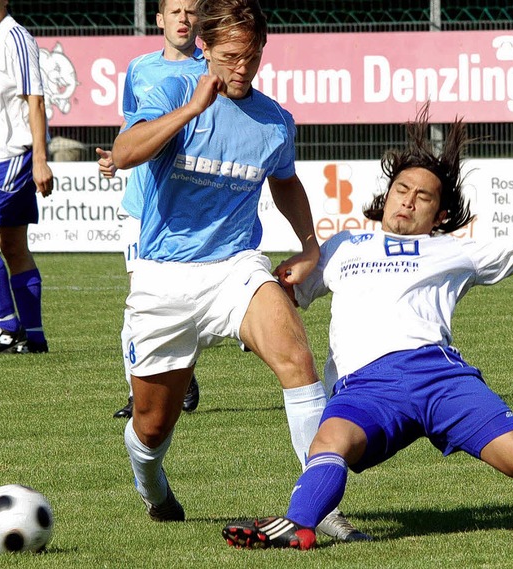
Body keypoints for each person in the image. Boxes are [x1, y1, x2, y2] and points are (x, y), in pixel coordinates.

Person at [222, 106, 513, 551]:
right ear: (387, 194)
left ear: (440, 213)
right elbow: (283, 298)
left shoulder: (454, 252)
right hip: (366, 385)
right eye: (401, 190)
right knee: (329, 441)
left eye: (423, 197)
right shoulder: (342, 247)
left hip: (440, 378)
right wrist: (274, 278)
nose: (408, 201)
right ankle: (298, 525)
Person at [110, 0, 367, 541]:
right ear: (204, 49)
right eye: (230, 56)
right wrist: (191, 109)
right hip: (164, 275)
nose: (242, 68)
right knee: (152, 427)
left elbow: (284, 179)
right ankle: (151, 483)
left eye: (252, 57)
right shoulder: (173, 90)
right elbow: (126, 150)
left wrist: (308, 246)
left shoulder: (274, 119)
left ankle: (320, 508)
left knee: (298, 359)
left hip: (235, 267)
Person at [97, 0, 203, 419]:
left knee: (183, 299)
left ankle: (180, 369)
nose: (183, 18)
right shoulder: (140, 68)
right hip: (141, 205)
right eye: (175, 11)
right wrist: (115, 157)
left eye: (191, 11)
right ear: (159, 20)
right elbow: (132, 126)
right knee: (139, 297)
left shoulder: (210, 71)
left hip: (181, 205)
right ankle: (138, 392)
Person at [0, 0, 52, 355]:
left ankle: (8, 327)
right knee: (12, 246)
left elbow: (35, 100)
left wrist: (39, 159)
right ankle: (34, 337)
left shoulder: (15, 36)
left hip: (10, 157)